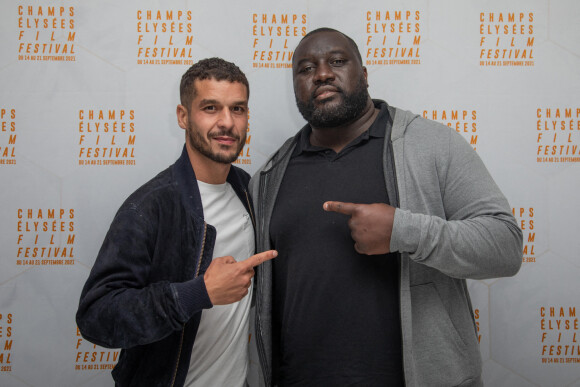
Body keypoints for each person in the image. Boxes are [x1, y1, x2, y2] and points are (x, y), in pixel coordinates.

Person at [249, 28, 523, 386]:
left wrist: (403, 231)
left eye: (336, 61)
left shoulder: (432, 144)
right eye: (305, 69)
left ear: (363, 75)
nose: (322, 74)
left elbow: (505, 246)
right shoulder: (268, 177)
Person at [76, 57, 277, 387]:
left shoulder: (248, 190)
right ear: (183, 117)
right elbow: (96, 317)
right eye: (210, 108)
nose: (227, 122)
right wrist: (197, 293)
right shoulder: (151, 206)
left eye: (237, 109)